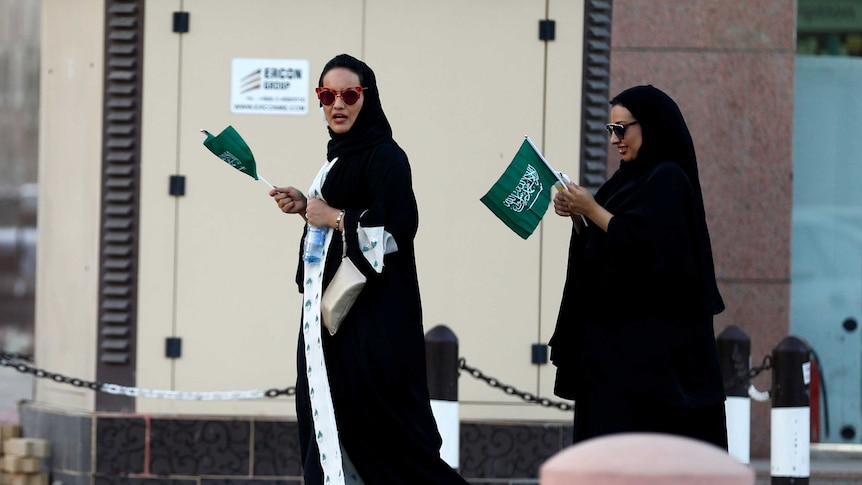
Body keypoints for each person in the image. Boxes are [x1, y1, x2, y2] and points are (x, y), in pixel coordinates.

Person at [269, 54, 469, 485]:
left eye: (349, 95)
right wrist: (307, 208)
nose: (337, 104)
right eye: (327, 95)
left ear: (368, 98)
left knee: (391, 450)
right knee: (334, 441)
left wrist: (336, 217)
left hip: (372, 337)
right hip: (332, 335)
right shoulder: (337, 160)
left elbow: (398, 231)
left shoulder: (386, 157)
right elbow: (333, 222)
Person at [549, 85, 728, 449]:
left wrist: (592, 209)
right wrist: (579, 218)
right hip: (613, 359)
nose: (615, 139)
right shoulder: (627, 179)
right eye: (610, 130)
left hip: (651, 368)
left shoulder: (668, 179)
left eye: (621, 129)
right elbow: (609, 245)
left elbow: (651, 250)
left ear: (650, 125)